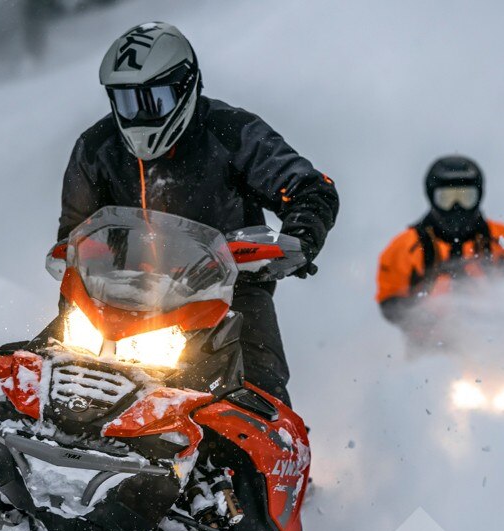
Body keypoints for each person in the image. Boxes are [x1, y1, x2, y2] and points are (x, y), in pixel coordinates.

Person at [56, 21, 339, 405]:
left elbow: (309, 188)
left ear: (185, 86)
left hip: (227, 298)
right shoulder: (97, 148)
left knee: (262, 397)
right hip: (120, 300)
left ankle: (274, 457)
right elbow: (75, 232)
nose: (140, 114)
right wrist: (74, 263)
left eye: (154, 99)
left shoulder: (232, 133)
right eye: (126, 101)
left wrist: (301, 236)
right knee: (42, 365)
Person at [375, 155, 504, 339]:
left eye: (465, 197)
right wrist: (419, 319)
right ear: (432, 197)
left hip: (499, 341)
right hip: (433, 346)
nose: (456, 208)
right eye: (447, 198)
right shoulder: (406, 246)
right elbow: (390, 298)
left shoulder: (500, 238)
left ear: (479, 196)